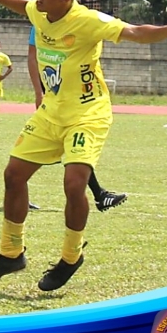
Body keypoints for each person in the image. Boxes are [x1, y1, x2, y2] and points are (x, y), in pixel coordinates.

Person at [0, 0, 167, 291]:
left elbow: (133, 32)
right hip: (52, 111)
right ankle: (11, 253)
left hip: (88, 113)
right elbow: (19, 3)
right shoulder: (39, 11)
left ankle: (71, 257)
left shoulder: (87, 20)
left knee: (73, 184)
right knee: (13, 175)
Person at [26, 26, 127, 213]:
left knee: (74, 150)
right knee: (41, 151)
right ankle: (100, 195)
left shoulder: (78, 20)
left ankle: (100, 195)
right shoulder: (40, 20)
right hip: (55, 96)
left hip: (73, 98)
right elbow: (32, 57)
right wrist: (38, 92)